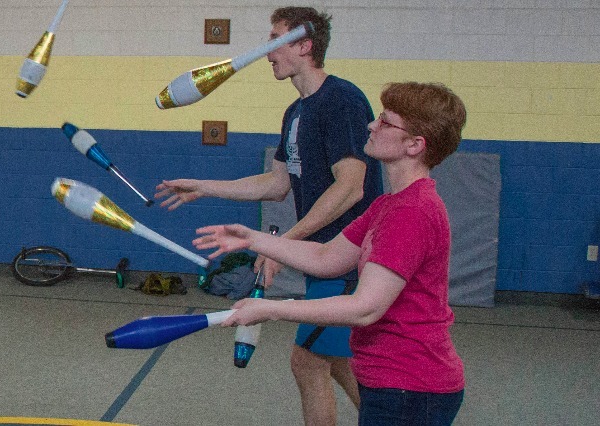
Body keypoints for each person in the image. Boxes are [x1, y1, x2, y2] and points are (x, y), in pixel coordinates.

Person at [152, 7, 382, 425]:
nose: (266, 53)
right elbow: (276, 183)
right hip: (326, 259)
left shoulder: (342, 100)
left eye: (274, 40)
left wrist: (283, 244)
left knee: (308, 361)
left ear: (304, 45)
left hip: (352, 258)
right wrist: (204, 187)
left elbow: (350, 186)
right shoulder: (296, 113)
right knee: (338, 360)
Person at [196, 82, 468, 425]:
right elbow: (327, 258)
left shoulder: (412, 211)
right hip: (386, 379)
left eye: (385, 122)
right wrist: (252, 239)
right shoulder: (388, 204)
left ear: (415, 145)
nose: (371, 125)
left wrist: (271, 309)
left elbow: (364, 307)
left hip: (411, 387)